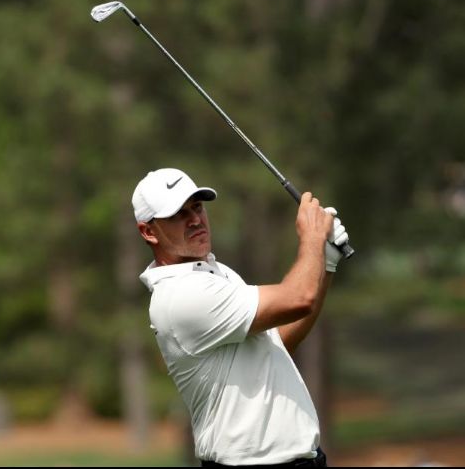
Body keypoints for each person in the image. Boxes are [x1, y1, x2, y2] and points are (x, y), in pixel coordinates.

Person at [132, 168, 349, 467]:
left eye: (197, 207)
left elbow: (279, 342)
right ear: (148, 231)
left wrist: (326, 262)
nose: (195, 219)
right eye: (178, 215)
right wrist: (312, 238)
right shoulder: (181, 296)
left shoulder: (216, 273)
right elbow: (299, 299)